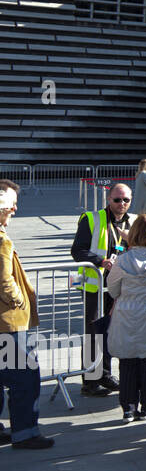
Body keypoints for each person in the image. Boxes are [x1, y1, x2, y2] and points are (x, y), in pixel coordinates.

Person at [0, 179, 53, 449]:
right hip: (8, 324)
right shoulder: (1, 241)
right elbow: (4, 281)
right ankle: (25, 433)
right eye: (10, 203)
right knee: (25, 377)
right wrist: (21, 301)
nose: (14, 209)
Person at [105, 215, 146, 423]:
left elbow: (113, 287)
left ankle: (128, 407)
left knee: (127, 360)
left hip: (128, 312)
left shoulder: (123, 260)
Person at [70, 181, 133, 397]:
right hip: (92, 286)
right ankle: (90, 381)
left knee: (109, 332)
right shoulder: (92, 218)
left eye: (126, 200)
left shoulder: (130, 222)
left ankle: (104, 374)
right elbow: (77, 250)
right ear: (109, 199)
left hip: (116, 287)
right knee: (94, 332)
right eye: (117, 199)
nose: (122, 204)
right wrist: (101, 261)